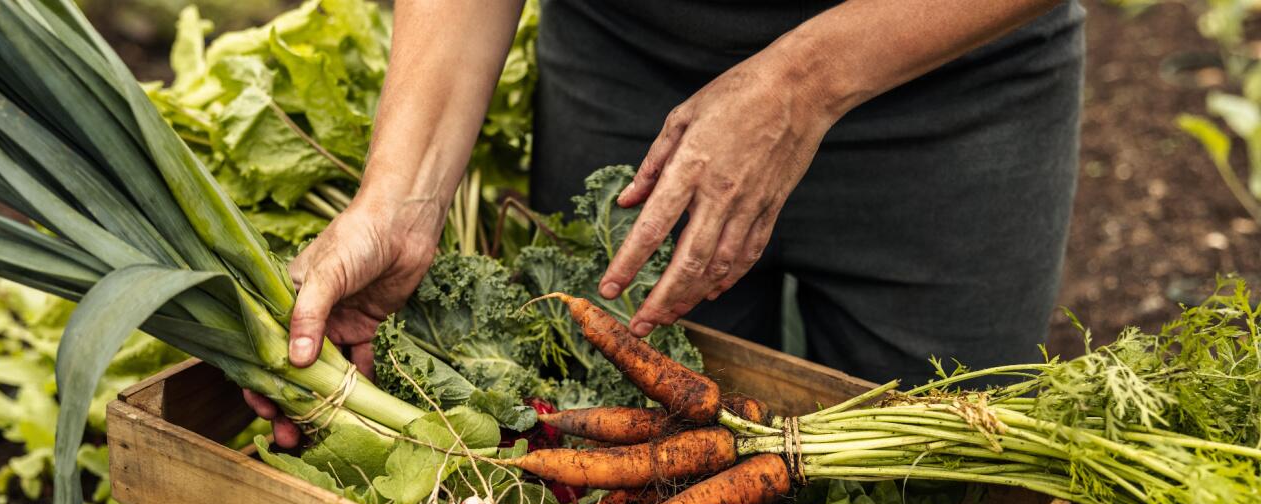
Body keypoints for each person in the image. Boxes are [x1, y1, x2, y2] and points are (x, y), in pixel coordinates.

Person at [245, 0, 1085, 447]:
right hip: (630, 68)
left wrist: (801, 83)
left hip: (949, 82)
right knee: (624, 456)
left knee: (942, 493)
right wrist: (404, 197)